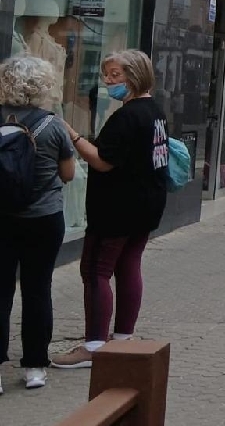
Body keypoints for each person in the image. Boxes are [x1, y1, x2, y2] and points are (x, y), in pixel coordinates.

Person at [53, 49, 170, 370]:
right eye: (107, 74)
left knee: (95, 271)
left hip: (118, 208)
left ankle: (93, 346)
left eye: (115, 75)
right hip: (147, 204)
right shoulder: (155, 111)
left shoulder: (127, 116)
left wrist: (71, 135)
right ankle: (122, 337)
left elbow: (103, 161)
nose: (108, 81)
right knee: (129, 265)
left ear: (135, 75)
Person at [0, 56, 76, 390]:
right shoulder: (54, 125)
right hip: (44, 218)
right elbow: (68, 174)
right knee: (37, 289)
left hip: (2, 219)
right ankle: (34, 367)